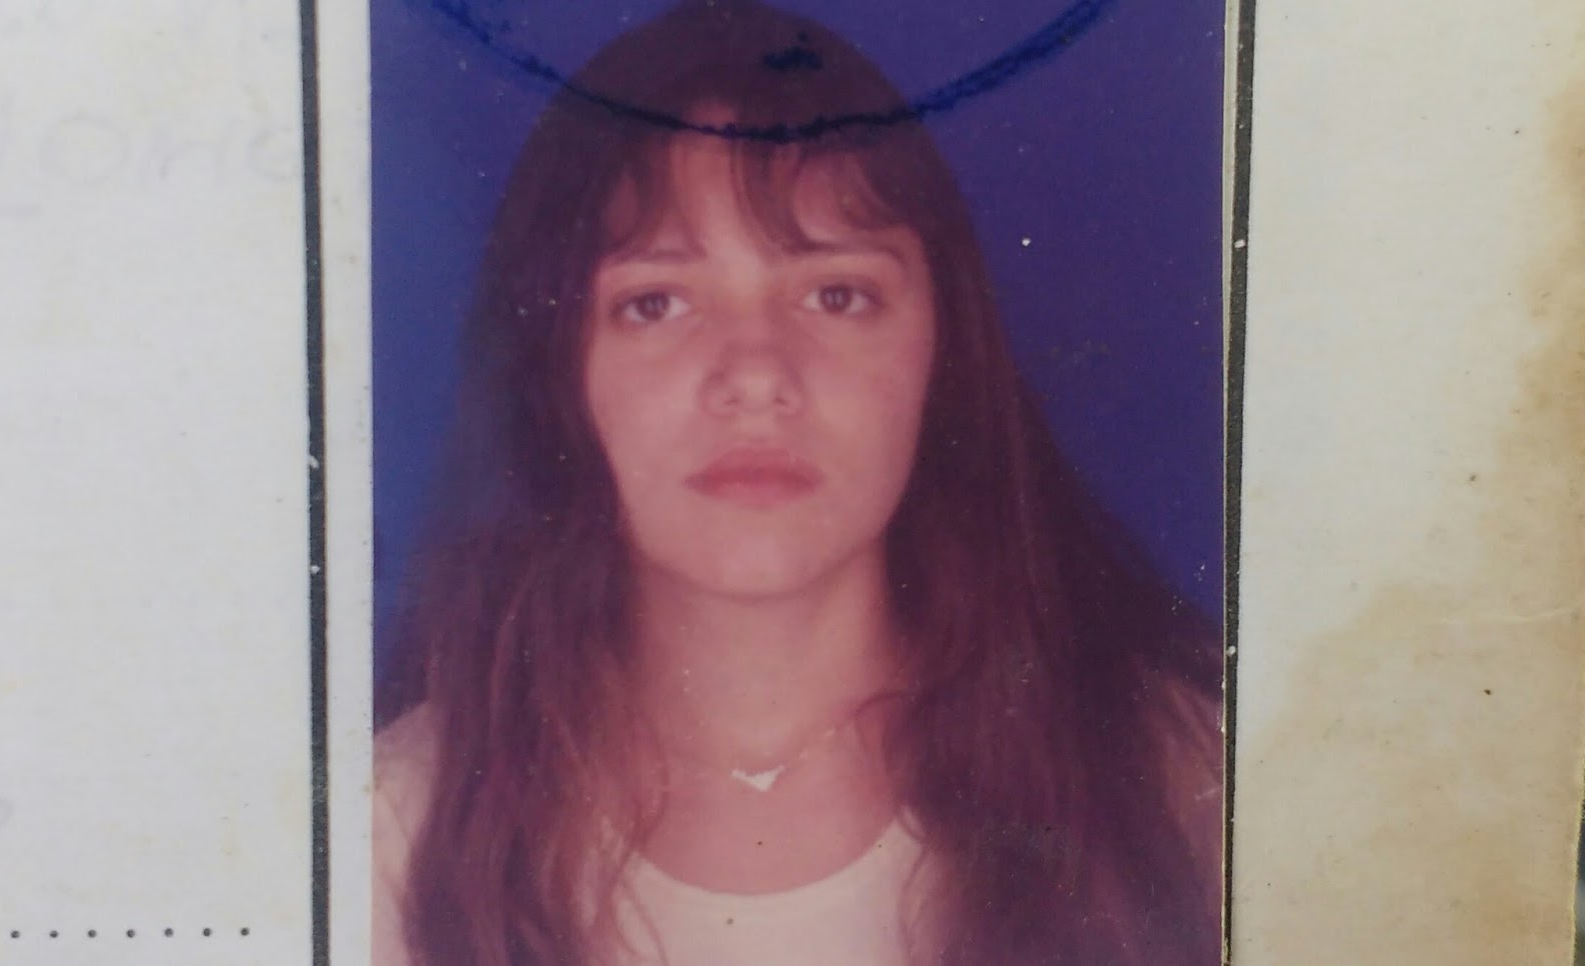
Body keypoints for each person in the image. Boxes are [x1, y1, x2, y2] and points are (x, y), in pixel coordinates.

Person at [373, 1, 1223, 963]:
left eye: (836, 294)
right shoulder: (393, 838)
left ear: (942, 353)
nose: (756, 376)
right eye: (655, 303)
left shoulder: (1180, 786)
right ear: (553, 373)